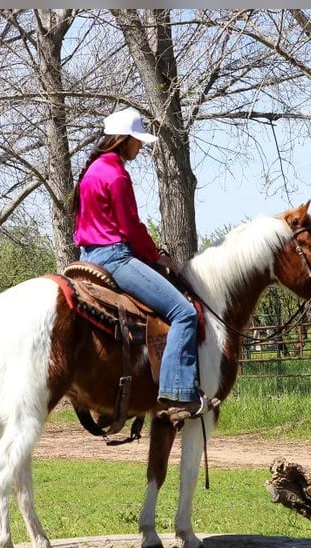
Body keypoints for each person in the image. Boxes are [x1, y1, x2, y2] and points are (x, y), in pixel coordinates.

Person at [70, 107, 218, 422]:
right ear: (124, 140)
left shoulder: (91, 171)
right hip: (115, 258)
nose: (140, 147)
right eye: (137, 140)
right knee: (184, 313)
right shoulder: (117, 174)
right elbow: (130, 228)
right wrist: (156, 256)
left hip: (86, 258)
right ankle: (177, 394)